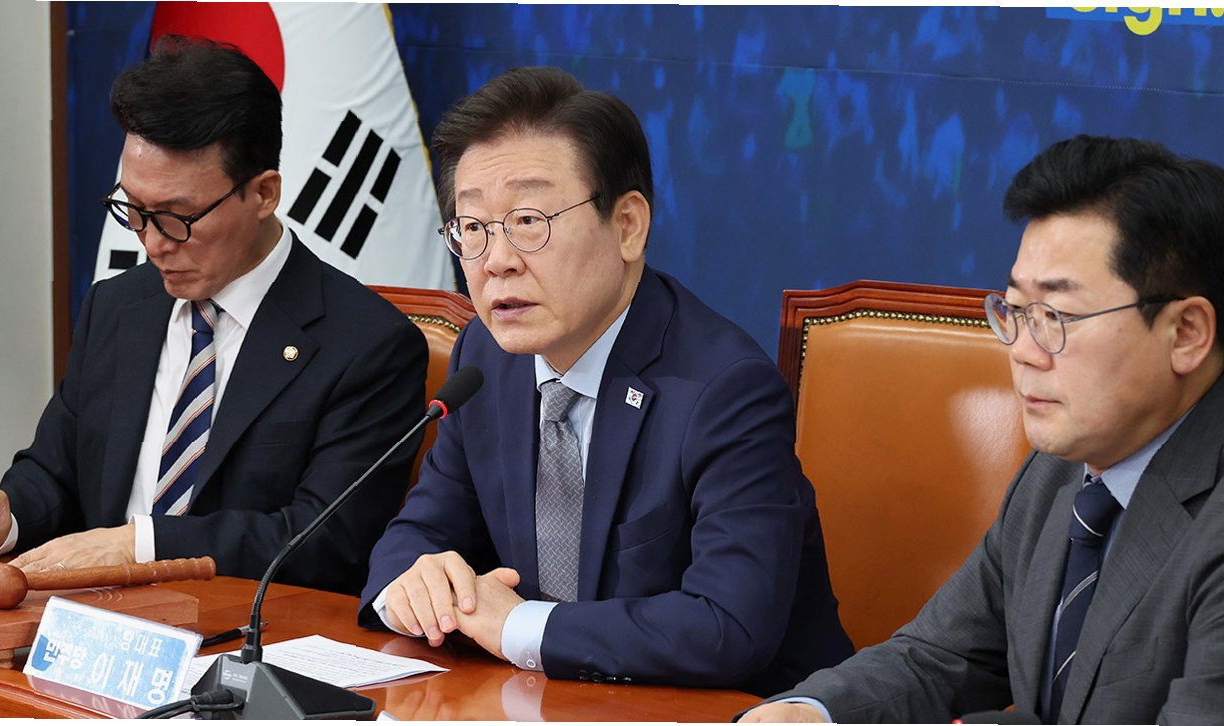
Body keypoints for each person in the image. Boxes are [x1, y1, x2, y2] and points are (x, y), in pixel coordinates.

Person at [357, 66, 853, 696]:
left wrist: (519, 628)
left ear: (627, 226)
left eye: (529, 221)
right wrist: (414, 586)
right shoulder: (486, 357)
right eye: (473, 228)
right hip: (544, 702)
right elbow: (419, 534)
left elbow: (727, 625)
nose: (497, 261)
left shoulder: (724, 390)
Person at [740, 135, 1224, 724]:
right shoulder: (1058, 470)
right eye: (1017, 309)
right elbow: (941, 657)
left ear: (1186, 333)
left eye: (1059, 315)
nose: (1022, 350)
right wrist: (809, 713)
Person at [0, 36, 428, 595]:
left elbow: (324, 541)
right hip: (92, 624)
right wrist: (7, 517)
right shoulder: (117, 307)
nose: (153, 242)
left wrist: (141, 544)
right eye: (134, 209)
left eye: (177, 217)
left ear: (264, 193)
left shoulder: (368, 344)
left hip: (251, 633)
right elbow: (54, 472)